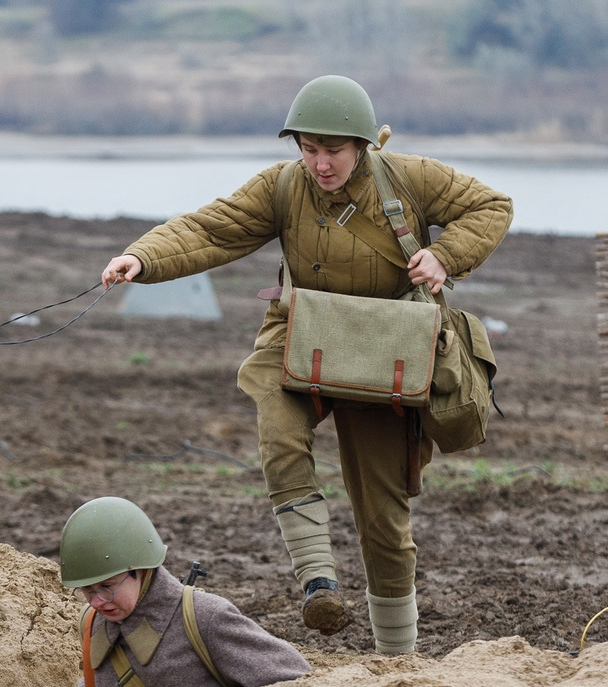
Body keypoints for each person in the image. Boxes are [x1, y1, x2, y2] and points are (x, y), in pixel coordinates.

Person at [101, 76, 513, 654]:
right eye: (309, 149)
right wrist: (141, 258)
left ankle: (399, 661)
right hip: (301, 338)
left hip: (385, 352)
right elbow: (209, 229)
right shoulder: (282, 187)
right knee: (277, 422)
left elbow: (491, 206)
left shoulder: (412, 179)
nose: (320, 164)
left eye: (334, 151)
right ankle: (318, 580)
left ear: (364, 145)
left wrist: (443, 256)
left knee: (384, 516)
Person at [61, 496, 311, 687]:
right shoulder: (94, 621)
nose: (96, 601)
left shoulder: (204, 617)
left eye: (107, 587)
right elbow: (98, 677)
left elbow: (295, 682)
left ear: (142, 571)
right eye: (87, 590)